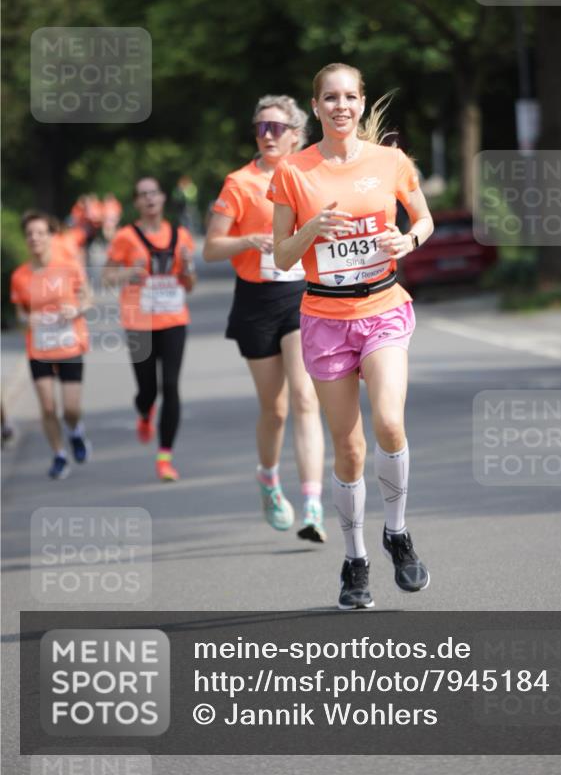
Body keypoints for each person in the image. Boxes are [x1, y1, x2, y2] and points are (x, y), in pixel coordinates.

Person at [270, 63, 434, 609]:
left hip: (384, 306)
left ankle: (398, 534)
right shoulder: (294, 172)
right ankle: (355, 559)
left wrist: (406, 241)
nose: (340, 106)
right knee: (350, 449)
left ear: (361, 104)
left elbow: (424, 220)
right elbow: (282, 253)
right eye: (329, 98)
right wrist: (312, 229)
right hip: (324, 317)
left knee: (389, 421)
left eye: (349, 97)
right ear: (314, 107)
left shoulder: (390, 162)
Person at [204, 96, 327, 542]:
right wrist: (249, 240)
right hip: (256, 301)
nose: (268, 135)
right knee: (274, 409)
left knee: (305, 398)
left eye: (277, 128)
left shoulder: (312, 175)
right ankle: (269, 479)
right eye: (261, 128)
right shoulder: (239, 183)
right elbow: (210, 248)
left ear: (296, 133)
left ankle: (313, 505)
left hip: (302, 296)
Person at [103, 177, 196, 481]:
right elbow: (106, 278)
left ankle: (164, 457)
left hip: (173, 320)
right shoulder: (126, 237)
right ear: (136, 203)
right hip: (138, 322)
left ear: (163, 198)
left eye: (154, 193)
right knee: (148, 390)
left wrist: (188, 267)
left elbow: (189, 285)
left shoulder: (180, 235)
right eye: (142, 195)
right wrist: (129, 272)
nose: (149, 199)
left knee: (170, 386)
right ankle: (145, 413)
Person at [10, 211, 92, 479]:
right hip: (39, 347)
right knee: (47, 407)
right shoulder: (20, 276)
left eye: (40, 233)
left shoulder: (68, 266)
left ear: (50, 236)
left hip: (69, 343)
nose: (34, 238)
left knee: (70, 408)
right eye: (30, 234)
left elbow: (88, 298)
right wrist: (27, 318)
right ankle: (59, 454)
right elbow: (20, 313)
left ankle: (75, 431)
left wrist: (77, 309)